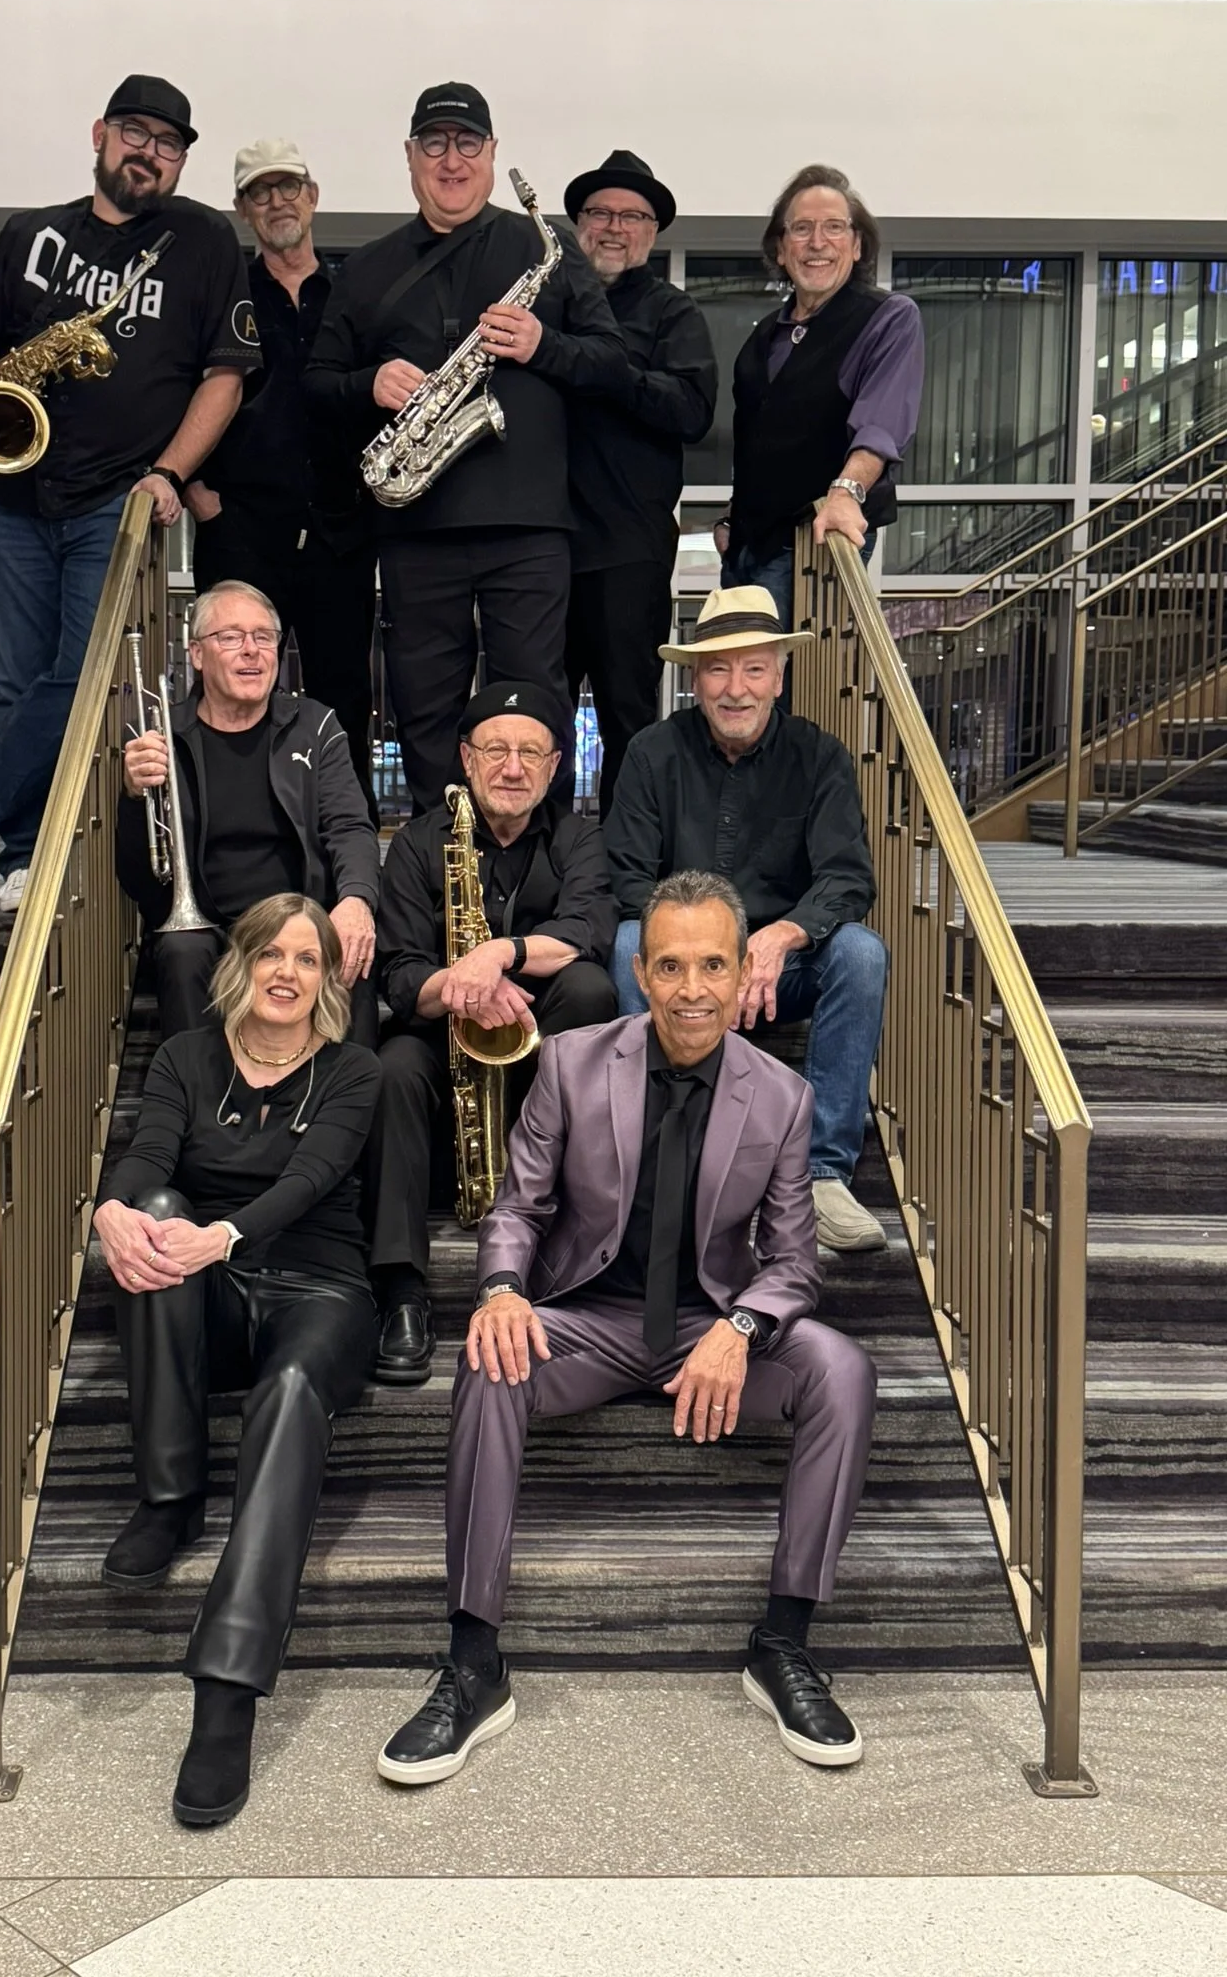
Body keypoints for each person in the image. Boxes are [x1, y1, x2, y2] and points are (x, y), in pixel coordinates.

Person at [376, 871, 877, 1785]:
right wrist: (497, 1291)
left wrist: (740, 1326)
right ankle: (473, 1660)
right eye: (673, 966)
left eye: (714, 965)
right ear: (641, 973)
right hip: (591, 1321)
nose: (693, 988)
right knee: (492, 1360)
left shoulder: (783, 1097)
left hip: (705, 1328)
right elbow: (519, 1209)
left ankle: (785, 1643)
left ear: (741, 978)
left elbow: (795, 1263)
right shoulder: (571, 1062)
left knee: (840, 1368)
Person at [0, 74, 261, 915]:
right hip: (9, 492)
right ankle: (24, 859)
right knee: (14, 682)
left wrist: (169, 472)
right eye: (136, 133)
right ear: (100, 133)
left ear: (182, 162)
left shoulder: (204, 241)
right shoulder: (29, 234)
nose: (150, 152)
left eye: (170, 144)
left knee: (81, 677)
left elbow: (226, 378)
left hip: (115, 495)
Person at [92, 893, 381, 1827]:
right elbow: (147, 1160)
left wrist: (224, 1235)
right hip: (208, 1292)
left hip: (321, 1294)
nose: (288, 973)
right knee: (152, 1223)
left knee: (292, 1387)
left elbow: (310, 1181)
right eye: (272, 954)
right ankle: (171, 1497)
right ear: (243, 964)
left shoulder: (354, 1072)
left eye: (308, 958)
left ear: (326, 978)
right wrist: (113, 1210)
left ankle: (225, 1695)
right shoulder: (187, 1056)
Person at [304, 82, 626, 815]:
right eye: (435, 144)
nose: (452, 160)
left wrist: (544, 344)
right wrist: (367, 383)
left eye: (467, 143)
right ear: (411, 157)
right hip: (416, 532)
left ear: (492, 155)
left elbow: (611, 364)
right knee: (424, 716)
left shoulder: (545, 248)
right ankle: (437, 874)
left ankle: (537, 883)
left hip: (529, 528)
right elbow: (316, 386)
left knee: (533, 713)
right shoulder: (369, 268)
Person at [603, 588, 889, 1254]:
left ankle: (821, 1173)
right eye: (718, 669)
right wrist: (708, 955)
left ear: (778, 677)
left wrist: (784, 934)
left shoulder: (819, 757)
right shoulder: (651, 754)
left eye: (753, 669)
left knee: (861, 954)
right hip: (688, 969)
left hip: (778, 972)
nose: (736, 689)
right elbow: (626, 878)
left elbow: (847, 877)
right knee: (625, 946)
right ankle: (659, 1148)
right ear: (694, 679)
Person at [368, 681, 617, 1385]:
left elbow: (588, 934)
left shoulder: (578, 837)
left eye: (530, 753)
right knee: (392, 1067)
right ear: (466, 760)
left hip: (539, 1055)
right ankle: (400, 1292)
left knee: (591, 990)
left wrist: (497, 955)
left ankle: (565, 1240)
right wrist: (463, 989)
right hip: (446, 1044)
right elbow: (400, 974)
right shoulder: (420, 842)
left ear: (554, 764)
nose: (513, 767)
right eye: (497, 750)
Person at [187, 139, 379, 812]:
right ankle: (230, 830)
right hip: (240, 530)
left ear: (313, 195)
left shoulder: (356, 289)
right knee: (230, 693)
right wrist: (195, 492)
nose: (277, 201)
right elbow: (180, 388)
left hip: (339, 532)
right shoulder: (220, 291)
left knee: (346, 698)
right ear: (243, 209)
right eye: (260, 192)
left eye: (288, 186)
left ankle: (350, 851)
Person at [117, 581, 380, 1047]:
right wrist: (134, 796)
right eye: (232, 637)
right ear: (197, 654)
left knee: (349, 944)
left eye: (264, 637)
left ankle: (344, 1111)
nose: (251, 652)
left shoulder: (316, 725)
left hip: (299, 918)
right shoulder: (159, 735)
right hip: (207, 927)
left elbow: (350, 826)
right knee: (180, 949)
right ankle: (200, 1110)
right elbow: (138, 880)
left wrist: (356, 900)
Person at [562, 150, 716, 814]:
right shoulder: (548, 304)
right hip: (545, 550)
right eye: (600, 213)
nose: (614, 227)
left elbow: (692, 411)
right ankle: (541, 868)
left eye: (632, 215)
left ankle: (625, 873)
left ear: (652, 231)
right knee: (540, 720)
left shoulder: (673, 313)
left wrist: (607, 367)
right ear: (578, 225)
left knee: (632, 720)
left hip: (629, 550)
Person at [717, 164, 924, 630]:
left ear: (856, 245)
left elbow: (881, 423)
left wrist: (846, 493)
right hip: (747, 549)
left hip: (816, 545)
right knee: (742, 683)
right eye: (802, 229)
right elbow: (757, 442)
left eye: (834, 228)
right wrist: (732, 520)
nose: (817, 243)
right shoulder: (765, 336)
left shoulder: (888, 318)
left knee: (786, 687)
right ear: (780, 248)